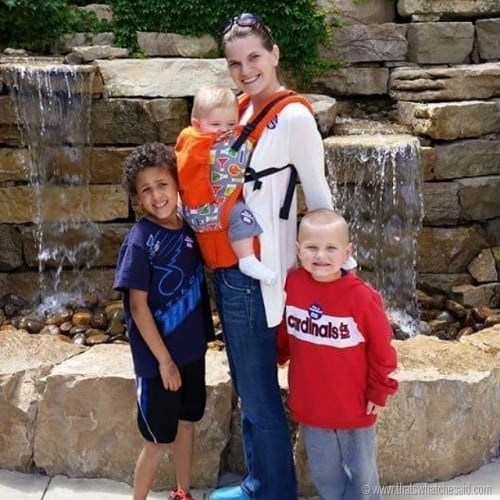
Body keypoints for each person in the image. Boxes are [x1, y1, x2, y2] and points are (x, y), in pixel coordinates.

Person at [209, 13, 356, 500]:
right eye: (235, 63)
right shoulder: (246, 109)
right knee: (249, 386)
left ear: (274, 54)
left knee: (260, 393)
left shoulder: (293, 115)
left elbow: (318, 196)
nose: (246, 69)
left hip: (262, 273)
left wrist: (339, 272)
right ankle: (258, 481)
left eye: (254, 57)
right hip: (234, 268)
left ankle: (271, 491)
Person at [113, 142, 214, 500]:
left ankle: (182, 492)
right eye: (146, 189)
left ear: (176, 184)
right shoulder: (140, 242)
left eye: (162, 184)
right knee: (157, 441)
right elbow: (138, 307)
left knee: (186, 425)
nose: (157, 195)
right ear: (137, 198)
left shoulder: (188, 229)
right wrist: (164, 361)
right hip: (159, 365)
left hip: (191, 355)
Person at [277, 208, 399, 500]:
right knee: (324, 473)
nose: (321, 256)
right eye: (311, 247)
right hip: (312, 406)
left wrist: (380, 390)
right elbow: (284, 333)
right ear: (298, 250)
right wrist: (273, 357)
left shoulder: (361, 297)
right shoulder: (292, 285)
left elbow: (382, 349)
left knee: (363, 474)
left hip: (355, 407)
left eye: (331, 248)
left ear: (347, 253)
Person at [175, 85, 276, 285]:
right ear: (196, 123)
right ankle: (247, 258)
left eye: (231, 123)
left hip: (193, 211)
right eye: (215, 124)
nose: (223, 130)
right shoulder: (204, 144)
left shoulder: (187, 140)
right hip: (212, 211)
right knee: (242, 216)